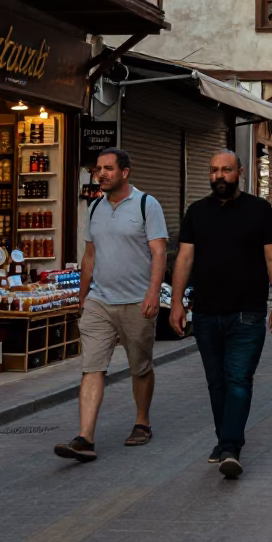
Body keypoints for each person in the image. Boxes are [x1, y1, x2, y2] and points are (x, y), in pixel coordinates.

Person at [170, 150, 272, 480]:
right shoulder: (196, 212)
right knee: (216, 382)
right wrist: (177, 302)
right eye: (214, 171)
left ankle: (230, 447)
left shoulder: (259, 210)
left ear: (240, 172)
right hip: (205, 312)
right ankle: (226, 439)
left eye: (226, 170)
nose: (219, 176)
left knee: (238, 379)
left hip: (247, 313)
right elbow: (184, 260)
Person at [55, 148, 168, 463]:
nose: (101, 174)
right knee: (92, 367)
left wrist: (153, 293)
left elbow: (159, 253)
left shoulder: (147, 205)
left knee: (140, 366)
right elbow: (90, 255)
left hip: (136, 301)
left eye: (107, 169)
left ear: (125, 172)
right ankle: (85, 437)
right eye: (97, 169)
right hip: (99, 302)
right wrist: (82, 294)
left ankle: (142, 421)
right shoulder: (94, 208)